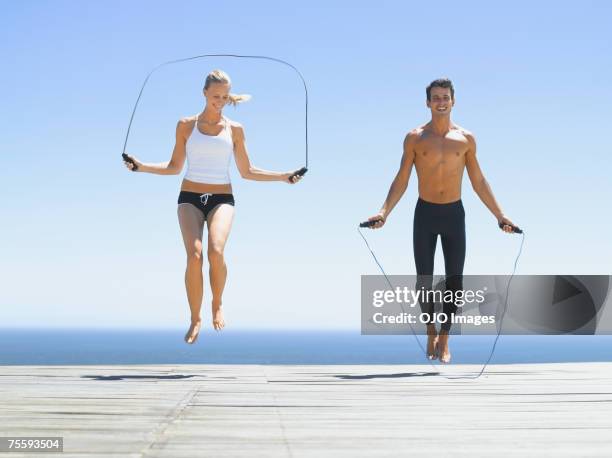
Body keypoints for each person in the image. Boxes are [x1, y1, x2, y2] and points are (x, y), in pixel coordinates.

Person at [123, 69, 303, 344]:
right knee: (194, 256)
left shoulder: (236, 130)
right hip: (190, 197)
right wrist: (141, 167)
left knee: (215, 251)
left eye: (224, 96)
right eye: (215, 95)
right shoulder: (185, 125)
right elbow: (174, 167)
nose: (220, 100)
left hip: (222, 199)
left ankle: (217, 302)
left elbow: (247, 170)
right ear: (204, 93)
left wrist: (282, 176)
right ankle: (195, 318)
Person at [365, 78, 518, 363]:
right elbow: (402, 179)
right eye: (435, 97)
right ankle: (430, 330)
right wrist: (384, 211)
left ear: (453, 101)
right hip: (424, 213)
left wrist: (500, 215)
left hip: (453, 214)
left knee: (454, 284)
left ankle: (445, 338)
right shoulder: (414, 138)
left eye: (445, 97)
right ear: (427, 103)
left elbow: (479, 181)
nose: (440, 101)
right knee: (423, 282)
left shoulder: (466, 139)